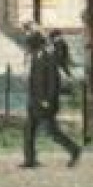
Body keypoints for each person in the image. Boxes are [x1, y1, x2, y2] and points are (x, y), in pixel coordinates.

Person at [21, 31, 81, 169]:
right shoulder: (35, 57)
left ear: (36, 45)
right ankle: (30, 160)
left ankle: (74, 150)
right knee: (28, 130)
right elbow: (33, 80)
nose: (28, 48)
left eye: (30, 45)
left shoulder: (49, 58)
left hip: (45, 103)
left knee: (52, 132)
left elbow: (54, 82)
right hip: (33, 101)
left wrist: (48, 100)